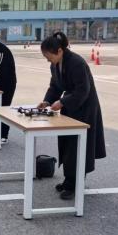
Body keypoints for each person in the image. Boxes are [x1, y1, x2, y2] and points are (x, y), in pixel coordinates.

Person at [37, 32, 106, 200]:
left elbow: (83, 90)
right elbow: (55, 86)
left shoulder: (76, 62)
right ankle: (69, 180)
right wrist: (47, 101)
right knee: (67, 145)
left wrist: (62, 102)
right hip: (70, 106)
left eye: (48, 56)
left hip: (85, 108)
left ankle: (75, 183)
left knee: (79, 147)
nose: (48, 60)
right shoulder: (55, 65)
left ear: (59, 51)